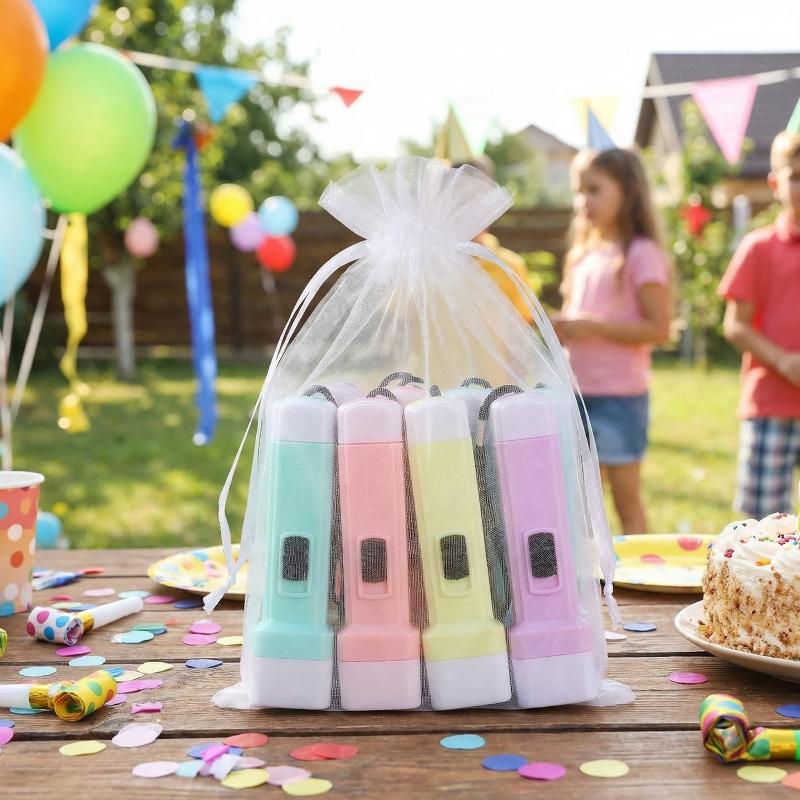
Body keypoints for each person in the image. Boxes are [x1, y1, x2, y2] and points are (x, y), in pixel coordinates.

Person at [553, 148, 671, 534]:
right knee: (580, 504)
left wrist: (591, 327)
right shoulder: (582, 254)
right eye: (578, 191)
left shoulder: (641, 254)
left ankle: (642, 569)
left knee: (625, 500)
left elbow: (659, 328)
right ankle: (593, 569)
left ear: (628, 192)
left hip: (620, 400)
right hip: (576, 396)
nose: (582, 201)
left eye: (594, 190)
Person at [719, 131, 800, 518]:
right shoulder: (758, 247)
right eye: (796, 176)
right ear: (775, 183)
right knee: (764, 524)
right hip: (769, 403)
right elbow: (735, 325)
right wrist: (783, 361)